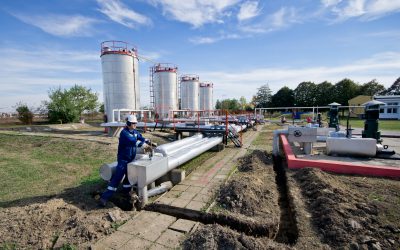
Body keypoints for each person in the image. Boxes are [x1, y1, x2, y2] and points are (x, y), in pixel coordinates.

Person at [99, 114, 148, 207]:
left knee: (129, 178)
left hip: (130, 159)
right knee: (117, 178)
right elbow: (133, 141)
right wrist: (144, 145)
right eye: (133, 123)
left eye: (135, 123)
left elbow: (141, 138)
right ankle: (104, 198)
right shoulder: (124, 133)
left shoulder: (135, 132)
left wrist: (148, 141)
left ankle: (126, 192)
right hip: (123, 160)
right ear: (128, 123)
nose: (135, 125)